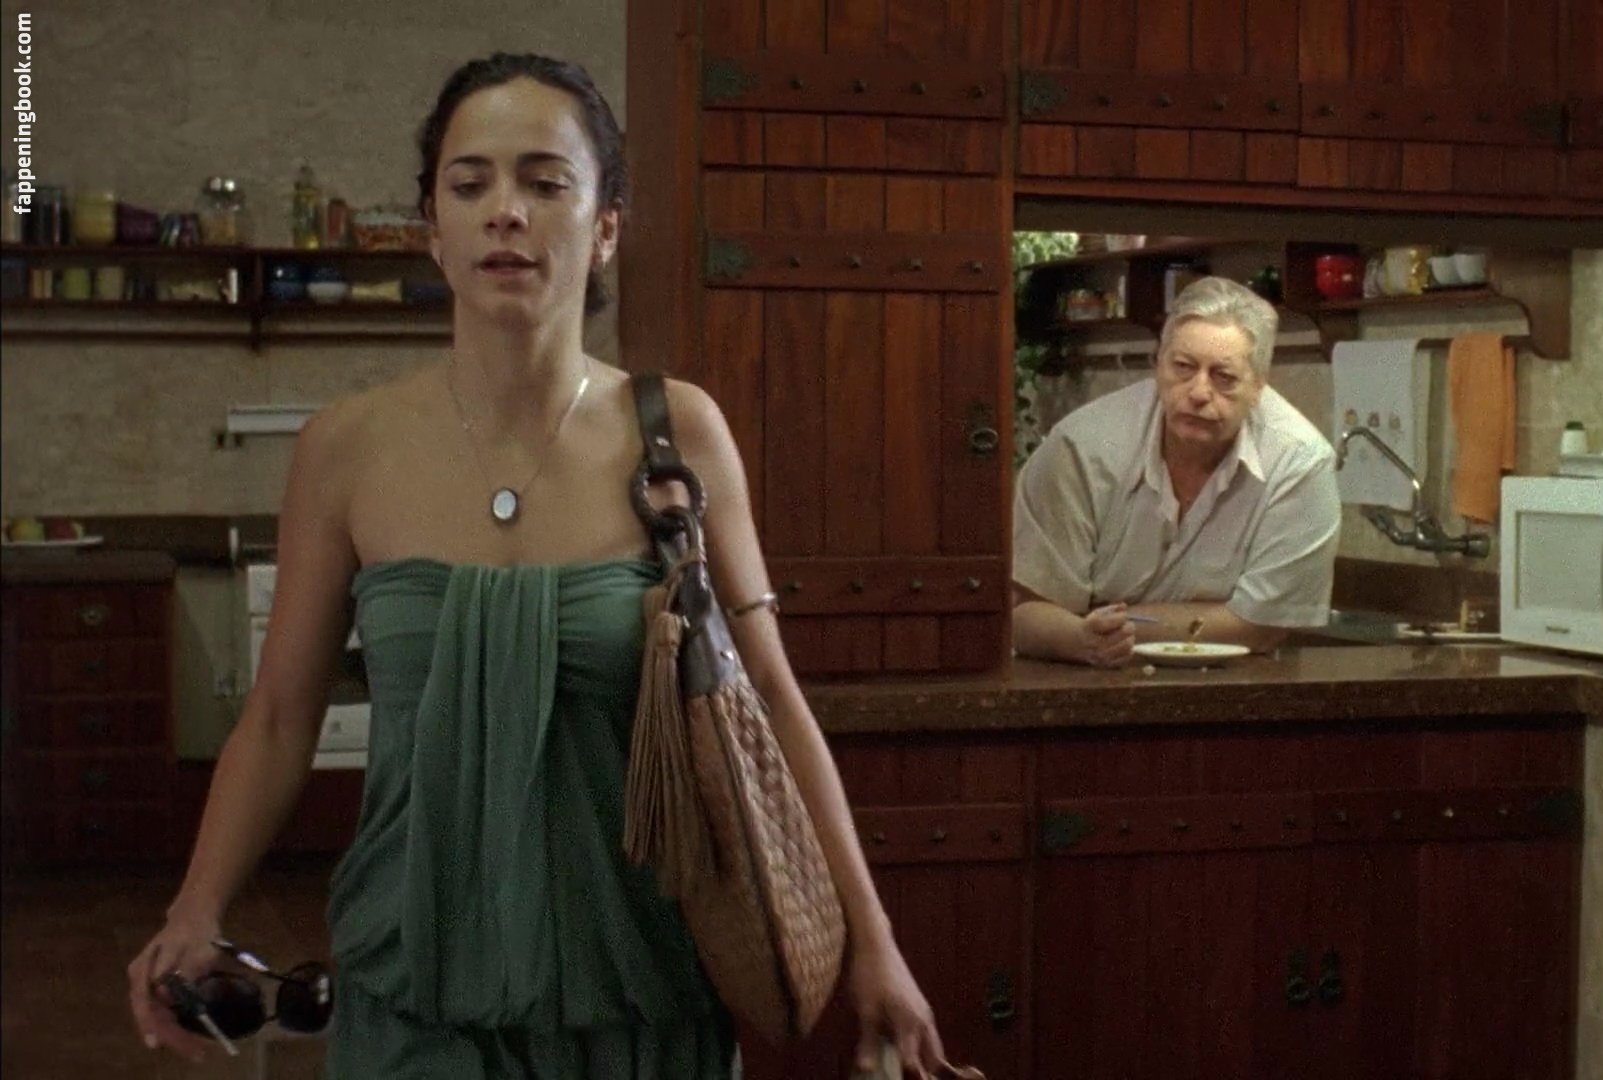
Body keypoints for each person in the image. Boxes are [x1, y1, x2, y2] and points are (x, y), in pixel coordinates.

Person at [127, 53, 955, 1078]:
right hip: (415, 994)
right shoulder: (346, 449)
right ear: (432, 228)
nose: (505, 212)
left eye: (546, 182)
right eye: (469, 184)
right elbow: (278, 717)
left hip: (640, 992)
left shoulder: (678, 433)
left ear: (606, 227)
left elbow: (773, 701)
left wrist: (873, 940)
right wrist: (195, 909)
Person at [1011, 276, 1341, 667]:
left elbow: (1262, 627)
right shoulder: (1081, 447)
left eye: (1223, 377)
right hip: (1079, 679)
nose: (1198, 392)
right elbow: (1023, 614)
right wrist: (1080, 639)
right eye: (1183, 367)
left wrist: (1113, 626)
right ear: (1158, 366)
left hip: (1233, 689)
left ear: (1258, 387)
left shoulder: (1299, 463)